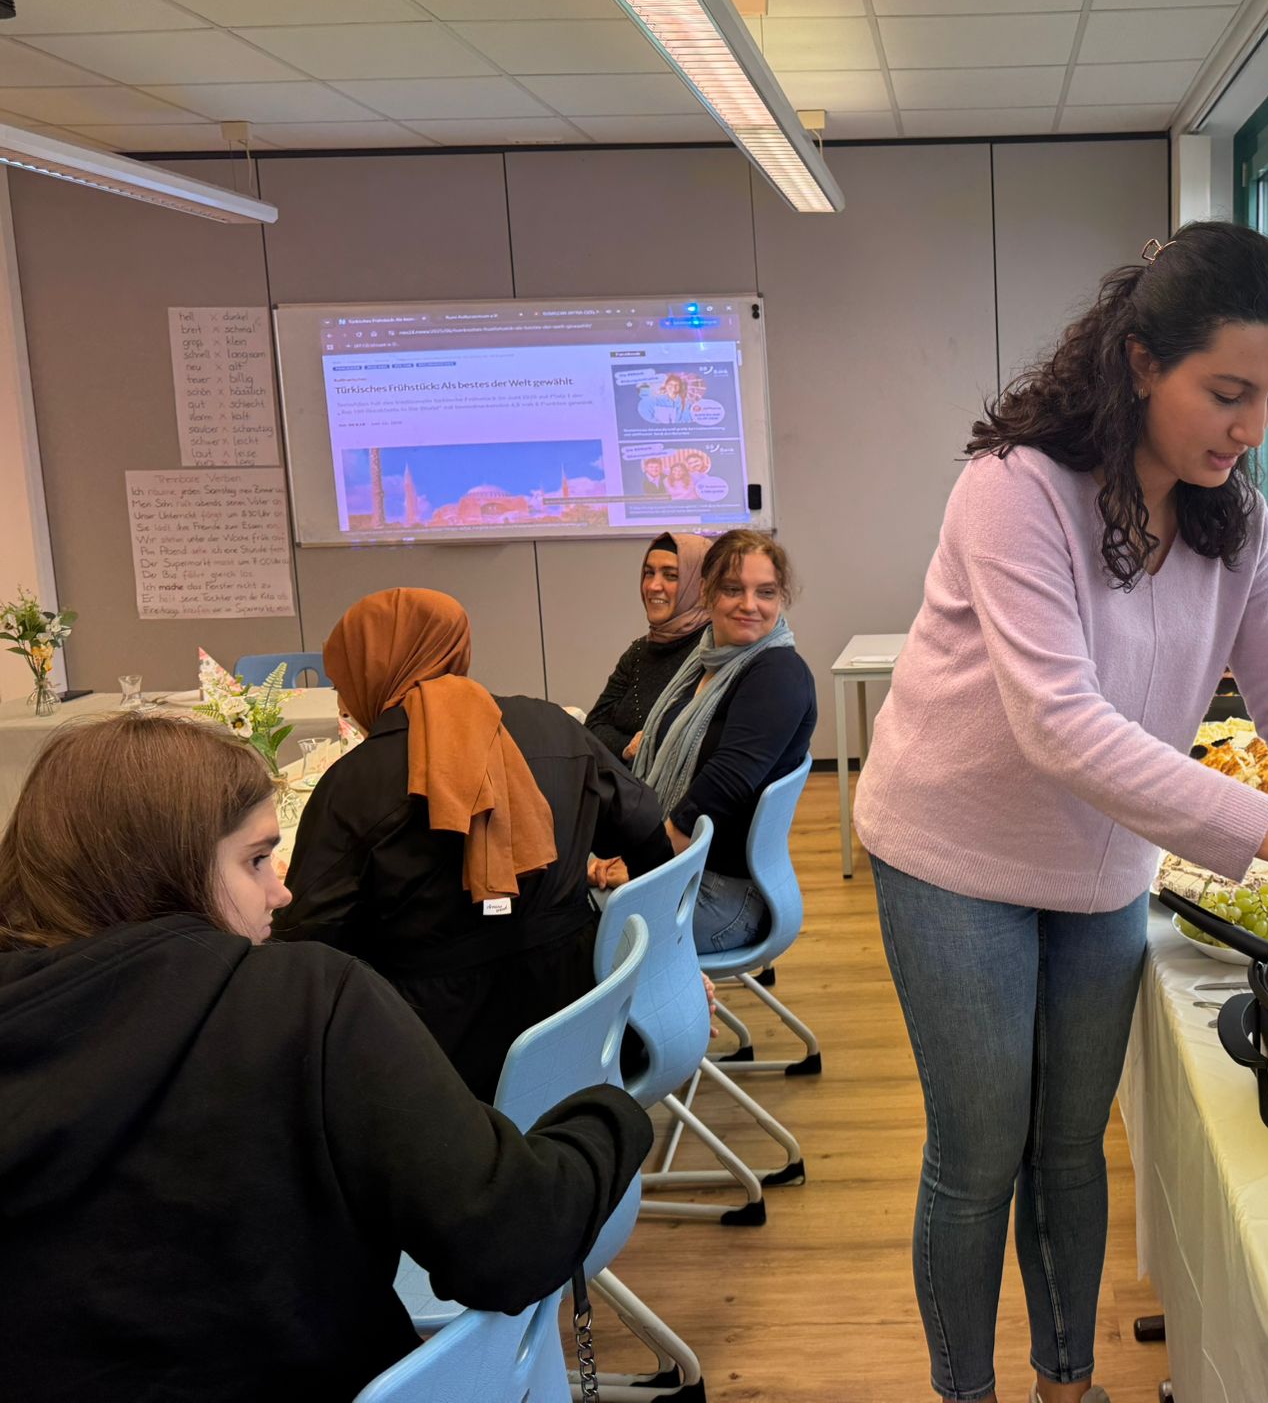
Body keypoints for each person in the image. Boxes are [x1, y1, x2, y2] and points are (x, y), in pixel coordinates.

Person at [853, 222, 1268, 1403]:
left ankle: (1065, 1383)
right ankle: (963, 1392)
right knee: (980, 1153)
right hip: (951, 857)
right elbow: (1057, 722)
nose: (1252, 428)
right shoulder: (1014, 490)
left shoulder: (1231, 520)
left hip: (1099, 865)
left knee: (1070, 1145)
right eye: (1226, 394)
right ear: (1139, 363)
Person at [0, 712, 651, 1402]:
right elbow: (511, 1239)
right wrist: (613, 1114)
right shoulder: (302, 1001)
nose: (281, 892)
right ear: (166, 869)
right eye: (256, 860)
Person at [276, 587, 671, 1100]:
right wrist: (652, 960)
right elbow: (646, 831)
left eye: (341, 684)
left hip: (434, 1067)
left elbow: (305, 945)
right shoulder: (554, 725)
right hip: (587, 1026)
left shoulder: (355, 783)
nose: (344, 704)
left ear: (373, 672)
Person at [632, 528, 815, 954]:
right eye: (733, 589)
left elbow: (725, 783)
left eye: (765, 592)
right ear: (707, 592)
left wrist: (639, 862)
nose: (750, 605)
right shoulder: (706, 661)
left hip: (725, 896)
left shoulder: (778, 673)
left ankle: (669, 994)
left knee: (565, 929)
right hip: (690, 872)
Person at [587, 531, 713, 764]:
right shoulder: (639, 652)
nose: (653, 586)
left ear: (701, 586)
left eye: (671, 575)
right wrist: (628, 747)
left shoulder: (712, 652)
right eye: (649, 573)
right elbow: (593, 727)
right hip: (623, 779)